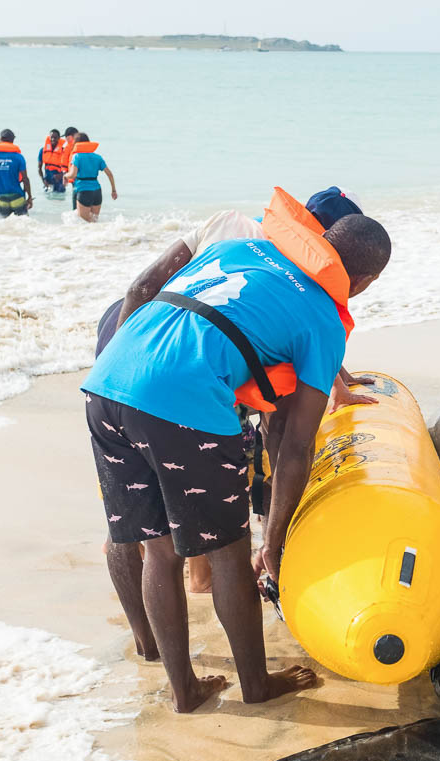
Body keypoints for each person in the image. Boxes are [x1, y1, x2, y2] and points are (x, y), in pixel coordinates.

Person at [82, 186, 392, 712]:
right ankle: (256, 685)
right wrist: (273, 543)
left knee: (157, 547)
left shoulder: (236, 248)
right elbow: (295, 446)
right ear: (363, 281)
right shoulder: (323, 318)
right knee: (229, 552)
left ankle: (185, 692)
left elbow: (144, 290)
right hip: (183, 406)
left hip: (107, 382)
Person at [95, 186, 374, 594]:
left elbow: (143, 288)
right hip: (185, 362)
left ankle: (147, 621)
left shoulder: (235, 228)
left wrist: (338, 376)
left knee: (131, 506)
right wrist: (277, 537)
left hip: (129, 332)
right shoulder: (294, 268)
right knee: (214, 486)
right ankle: (205, 579)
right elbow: (285, 413)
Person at [63, 133, 116, 221]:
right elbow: (109, 174)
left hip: (83, 191)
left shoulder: (77, 157)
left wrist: (65, 176)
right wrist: (113, 190)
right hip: (97, 192)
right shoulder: (98, 157)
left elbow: (73, 174)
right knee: (94, 221)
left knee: (84, 220)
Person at [0, 129, 33, 217]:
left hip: (1, 199)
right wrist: (29, 197)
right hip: (17, 197)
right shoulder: (18, 157)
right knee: (23, 225)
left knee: (2, 227)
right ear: (13, 140)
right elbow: (25, 179)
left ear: (0, 139)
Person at [38, 129, 67, 194]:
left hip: (59, 183)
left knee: (59, 201)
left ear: (59, 138)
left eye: (55, 137)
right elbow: (39, 168)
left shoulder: (63, 151)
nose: (53, 139)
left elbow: (69, 168)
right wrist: (43, 180)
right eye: (51, 137)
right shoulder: (42, 150)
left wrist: (61, 175)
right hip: (47, 182)